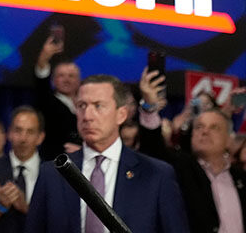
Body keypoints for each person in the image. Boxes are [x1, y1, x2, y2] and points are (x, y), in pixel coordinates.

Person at [26, 74, 189, 232]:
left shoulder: (156, 174)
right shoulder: (52, 174)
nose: (87, 116)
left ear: (121, 115)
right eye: (82, 106)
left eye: (98, 106)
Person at [139, 68, 246, 233]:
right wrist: (149, 107)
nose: (204, 131)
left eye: (214, 128)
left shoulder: (241, 178)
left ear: (229, 139)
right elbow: (153, 149)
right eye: (199, 127)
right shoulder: (180, 169)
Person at [33, 35, 81, 159]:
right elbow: (41, 83)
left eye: (71, 76)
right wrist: (44, 58)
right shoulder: (47, 101)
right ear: (53, 80)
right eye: (61, 75)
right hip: (54, 165)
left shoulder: (87, 104)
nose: (66, 79)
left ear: (79, 80)